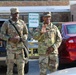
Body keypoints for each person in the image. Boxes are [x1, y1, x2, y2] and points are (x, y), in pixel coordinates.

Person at [0, 7, 28, 75]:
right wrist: (9, 38)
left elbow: (26, 34)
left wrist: (21, 38)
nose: (16, 15)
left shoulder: (22, 23)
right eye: (15, 14)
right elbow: (1, 34)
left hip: (20, 50)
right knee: (9, 70)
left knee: (21, 70)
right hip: (10, 50)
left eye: (17, 13)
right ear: (11, 14)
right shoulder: (6, 23)